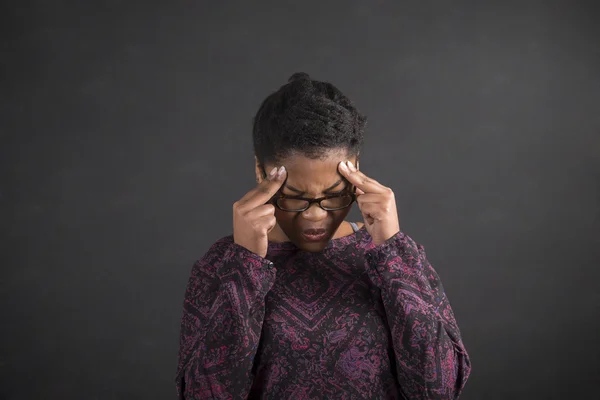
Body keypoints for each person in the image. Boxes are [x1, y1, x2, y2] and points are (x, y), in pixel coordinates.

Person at [175, 72, 471, 399]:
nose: (315, 215)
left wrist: (391, 250)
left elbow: (439, 389)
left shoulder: (399, 257)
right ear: (261, 172)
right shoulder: (222, 265)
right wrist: (246, 267)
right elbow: (204, 394)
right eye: (295, 197)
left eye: (333, 195)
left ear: (355, 167)